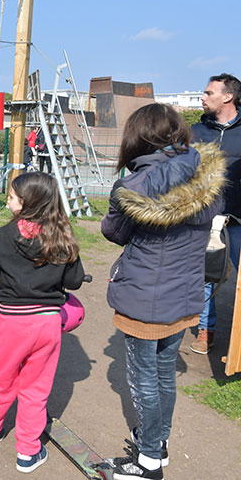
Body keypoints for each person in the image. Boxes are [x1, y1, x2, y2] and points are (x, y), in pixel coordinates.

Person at [101, 103, 224, 480]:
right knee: (164, 375)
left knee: (143, 381)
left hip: (143, 297)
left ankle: (148, 461)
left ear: (138, 138)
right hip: (185, 293)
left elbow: (113, 232)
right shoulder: (208, 178)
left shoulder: (133, 186)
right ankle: (159, 442)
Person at [0, 172, 85, 474]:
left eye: (11, 196)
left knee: (1, 380)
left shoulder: (1, 236)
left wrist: (8, 269)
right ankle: (27, 451)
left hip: (11, 322)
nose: (7, 200)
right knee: (35, 390)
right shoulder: (61, 236)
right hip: (47, 324)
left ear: (26, 204)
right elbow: (74, 281)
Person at [190, 73, 241, 354]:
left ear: (228, 96)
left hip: (238, 219)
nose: (203, 97)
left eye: (209, 93)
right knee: (206, 276)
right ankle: (205, 330)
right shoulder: (198, 131)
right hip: (205, 219)